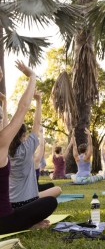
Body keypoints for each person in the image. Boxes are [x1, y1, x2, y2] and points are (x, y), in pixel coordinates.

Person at [0, 62, 57, 234]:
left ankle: (26, 223)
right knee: (50, 202)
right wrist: (32, 76)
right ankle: (25, 223)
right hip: (4, 221)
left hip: (11, 210)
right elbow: (23, 108)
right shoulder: (2, 143)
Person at [9, 91, 62, 209]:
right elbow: (37, 123)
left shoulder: (4, 150)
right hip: (28, 202)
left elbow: (4, 127)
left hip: (10, 203)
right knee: (58, 189)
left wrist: (3, 104)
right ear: (23, 135)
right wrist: (39, 101)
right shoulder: (26, 148)